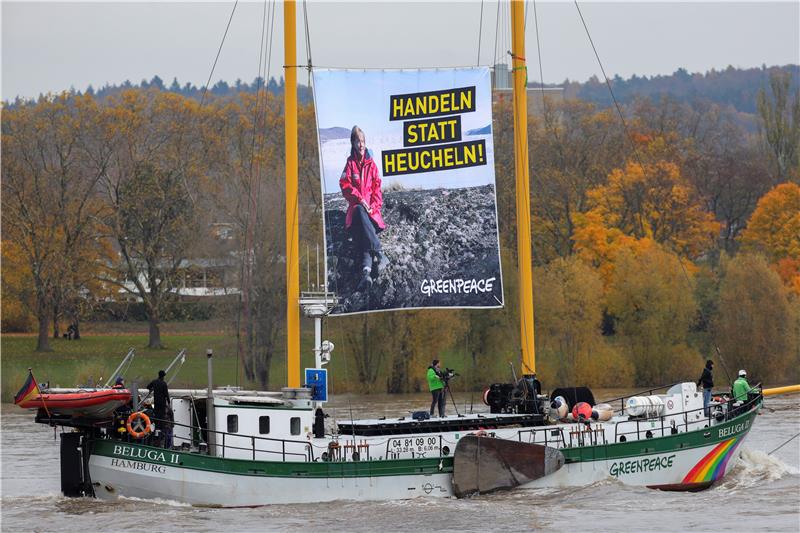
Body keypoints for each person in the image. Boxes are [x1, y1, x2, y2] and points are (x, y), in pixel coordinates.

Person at [339, 125, 388, 292]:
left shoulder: (372, 165)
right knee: (359, 210)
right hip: (357, 213)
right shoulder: (350, 164)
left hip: (371, 215)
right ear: (352, 143)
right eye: (358, 141)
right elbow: (345, 186)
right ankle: (379, 252)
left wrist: (373, 207)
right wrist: (360, 199)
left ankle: (365, 272)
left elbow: (377, 190)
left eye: (363, 141)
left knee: (364, 234)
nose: (361, 144)